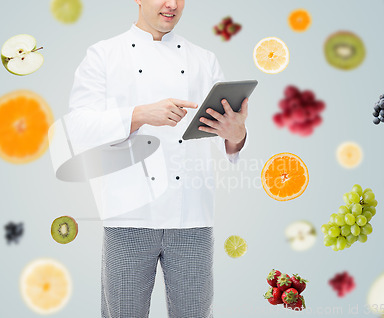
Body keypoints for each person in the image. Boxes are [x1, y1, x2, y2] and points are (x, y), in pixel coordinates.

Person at [67, 0, 249, 317]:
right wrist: (140, 114)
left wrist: (236, 134)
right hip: (128, 217)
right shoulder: (103, 55)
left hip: (192, 216)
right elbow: (79, 128)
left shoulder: (204, 60)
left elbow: (229, 146)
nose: (171, 4)